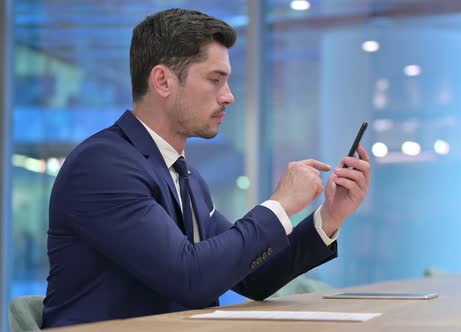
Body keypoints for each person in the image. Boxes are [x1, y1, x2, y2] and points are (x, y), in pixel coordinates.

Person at [42, 8, 371, 328]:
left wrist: (329, 217)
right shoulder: (102, 166)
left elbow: (252, 277)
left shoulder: (185, 176)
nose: (229, 96)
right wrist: (280, 204)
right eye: (215, 80)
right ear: (162, 80)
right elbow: (190, 278)